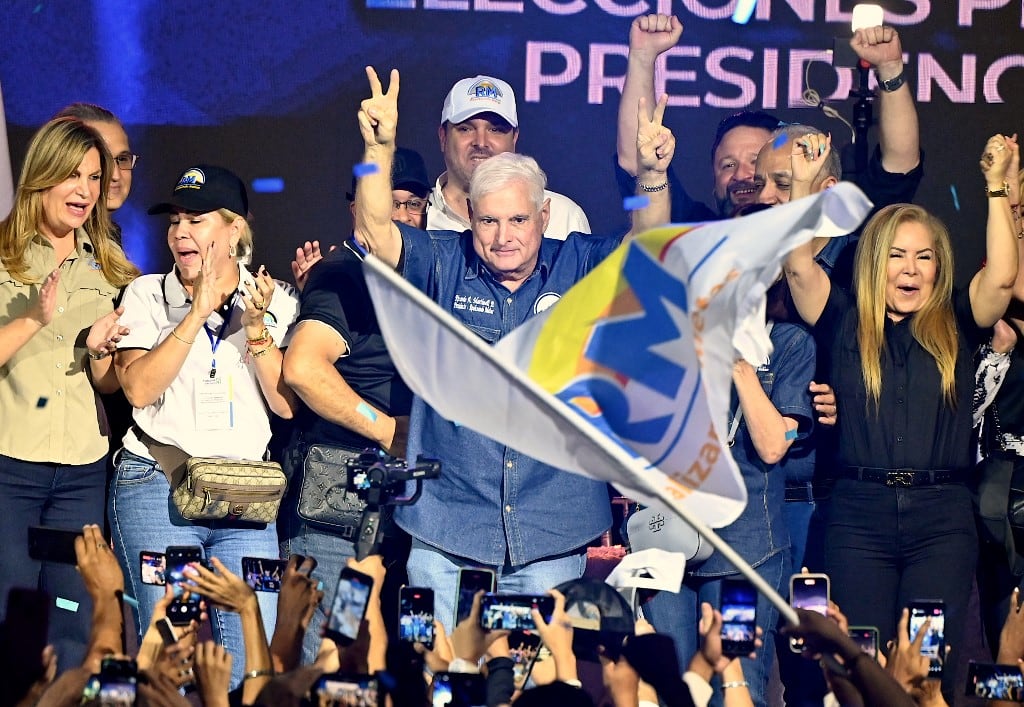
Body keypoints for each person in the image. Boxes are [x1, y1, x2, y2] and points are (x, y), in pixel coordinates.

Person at [353, 65, 673, 630]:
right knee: (438, 679)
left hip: (553, 528)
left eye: (519, 220)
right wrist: (377, 148)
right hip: (445, 528)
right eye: (490, 221)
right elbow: (377, 232)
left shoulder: (577, 264)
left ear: (544, 216)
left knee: (536, 687)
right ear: (469, 218)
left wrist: (651, 175)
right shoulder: (443, 261)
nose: (504, 237)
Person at [782, 131, 1018, 699]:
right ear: (873, 262)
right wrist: (807, 186)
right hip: (857, 521)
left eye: (924, 257)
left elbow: (1004, 280)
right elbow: (795, 268)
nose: (910, 270)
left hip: (940, 525)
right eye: (896, 256)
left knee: (928, 672)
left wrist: (995, 189)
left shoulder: (958, 322)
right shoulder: (842, 318)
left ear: (939, 267)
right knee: (860, 672)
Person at [108, 164, 300, 689]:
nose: (180, 233)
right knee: (167, 658)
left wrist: (257, 328)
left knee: (249, 660)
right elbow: (139, 390)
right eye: (175, 220)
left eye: (196, 219)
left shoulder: (276, 299)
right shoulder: (148, 295)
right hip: (158, 488)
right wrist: (195, 314)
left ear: (234, 229)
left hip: (244, 497)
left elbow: (285, 406)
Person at [0, 116, 139, 671]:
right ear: (41, 177)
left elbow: (106, 384)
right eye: (71, 176)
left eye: (93, 177)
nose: (84, 191)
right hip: (12, 468)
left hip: (81, 471)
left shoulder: (109, 266)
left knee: (72, 621)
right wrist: (37, 316)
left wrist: (102, 352)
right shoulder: (4, 256)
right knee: (12, 620)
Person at [279, 149, 427, 663]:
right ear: (357, 209)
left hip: (407, 505)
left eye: (413, 205)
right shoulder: (342, 274)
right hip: (341, 507)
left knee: (397, 658)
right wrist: (387, 430)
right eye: (390, 204)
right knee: (335, 651)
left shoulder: (428, 274)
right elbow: (302, 369)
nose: (402, 216)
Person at [640, 274, 816, 705]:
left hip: (747, 557)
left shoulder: (790, 344)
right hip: (670, 549)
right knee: (672, 691)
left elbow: (775, 445)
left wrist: (740, 364)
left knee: (737, 691)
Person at [615, 14, 780, 222]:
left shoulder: (820, 243)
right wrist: (643, 56)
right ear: (714, 184)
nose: (740, 175)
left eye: (755, 162)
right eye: (728, 165)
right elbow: (638, 161)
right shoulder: (691, 234)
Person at [427, 74, 590, 239]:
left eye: (495, 129)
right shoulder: (415, 217)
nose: (481, 142)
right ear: (443, 137)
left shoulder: (564, 218)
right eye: (466, 129)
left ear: (514, 138)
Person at [52, 103, 137, 238]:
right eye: (102, 160)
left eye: (122, 159)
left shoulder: (110, 239)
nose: (115, 175)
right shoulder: (52, 246)